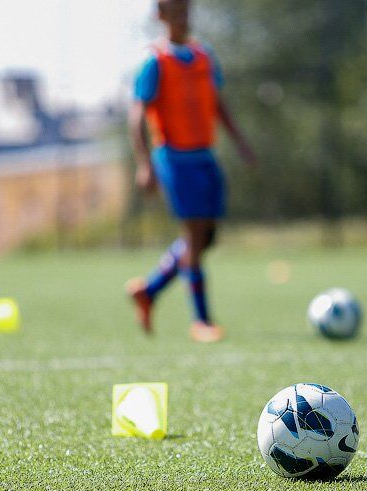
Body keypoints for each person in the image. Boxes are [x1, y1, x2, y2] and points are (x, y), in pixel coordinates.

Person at [127, 0, 255, 343]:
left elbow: (218, 103)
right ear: (161, 15)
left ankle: (149, 291)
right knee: (195, 238)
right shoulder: (155, 61)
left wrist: (241, 143)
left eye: (186, 9)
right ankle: (201, 321)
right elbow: (137, 116)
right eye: (175, 10)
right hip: (175, 157)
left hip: (205, 157)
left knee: (206, 237)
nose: (183, 16)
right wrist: (144, 164)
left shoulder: (203, 56)